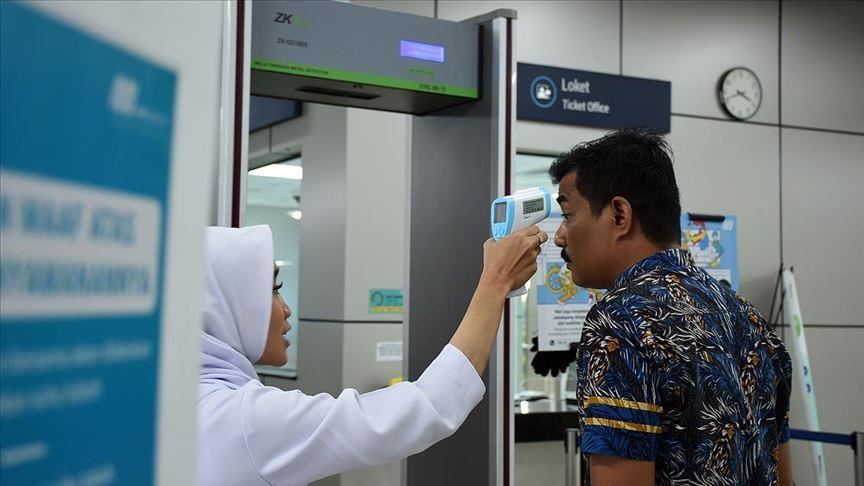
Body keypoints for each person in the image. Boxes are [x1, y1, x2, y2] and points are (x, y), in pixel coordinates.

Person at [198, 223, 546, 485]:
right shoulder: (242, 420)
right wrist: (495, 282)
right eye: (275, 290)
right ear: (227, 305)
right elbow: (429, 406)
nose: (286, 309)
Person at [541, 128, 793, 485]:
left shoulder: (620, 321)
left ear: (619, 215)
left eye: (568, 215)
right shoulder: (748, 316)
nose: (559, 236)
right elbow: (783, 475)